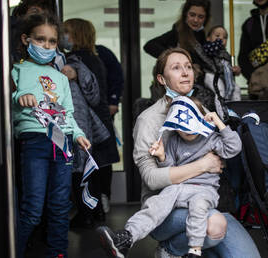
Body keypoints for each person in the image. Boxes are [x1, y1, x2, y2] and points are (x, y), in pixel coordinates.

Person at [100, 47, 261, 257]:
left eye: (188, 67)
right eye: (176, 68)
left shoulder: (204, 110)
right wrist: (203, 165)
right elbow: (151, 178)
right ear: (162, 79)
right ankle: (170, 249)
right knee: (213, 225)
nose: (185, 72)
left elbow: (231, 145)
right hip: (164, 207)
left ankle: (187, 247)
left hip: (206, 198)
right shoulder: (148, 120)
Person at [98, 96, 242, 258]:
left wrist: (218, 122)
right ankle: (126, 238)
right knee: (156, 203)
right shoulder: (174, 141)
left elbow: (234, 148)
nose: (186, 130)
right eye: (180, 125)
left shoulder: (211, 138)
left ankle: (195, 250)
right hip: (179, 188)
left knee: (199, 207)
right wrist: (162, 157)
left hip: (204, 190)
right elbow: (170, 171)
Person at [11, 13, 91, 258]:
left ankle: (58, 253)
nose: (46, 46)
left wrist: (78, 134)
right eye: (40, 40)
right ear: (26, 39)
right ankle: (16, 251)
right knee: (33, 209)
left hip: (63, 142)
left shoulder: (60, 78)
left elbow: (68, 113)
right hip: (35, 141)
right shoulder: (16, 70)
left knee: (59, 206)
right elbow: (9, 103)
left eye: (52, 42)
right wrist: (19, 97)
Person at [61, 18, 120, 226]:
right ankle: (98, 209)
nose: (63, 36)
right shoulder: (96, 57)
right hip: (101, 119)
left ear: (78, 34)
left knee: (84, 168)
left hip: (89, 121)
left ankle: (87, 212)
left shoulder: (78, 61)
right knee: (97, 167)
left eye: (67, 32)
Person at [95, 44, 125, 214]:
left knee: (104, 155)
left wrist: (114, 101)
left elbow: (117, 76)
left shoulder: (102, 52)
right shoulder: (65, 56)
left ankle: (104, 195)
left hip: (103, 112)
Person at [143, 0, 211, 74]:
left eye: (200, 17)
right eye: (192, 15)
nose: (196, 20)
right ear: (185, 15)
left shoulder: (206, 35)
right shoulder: (177, 33)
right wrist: (176, 59)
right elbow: (149, 45)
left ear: (206, 19)